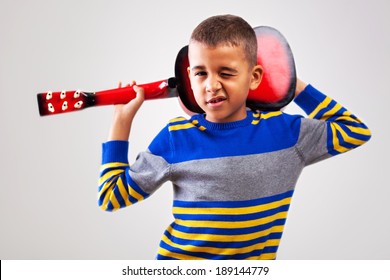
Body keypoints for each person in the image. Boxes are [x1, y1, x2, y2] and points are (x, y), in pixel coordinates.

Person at [98, 15, 371, 260]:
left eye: (226, 73)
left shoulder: (288, 134)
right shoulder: (176, 137)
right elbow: (111, 197)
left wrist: (291, 84)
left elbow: (355, 131)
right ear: (189, 78)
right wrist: (122, 121)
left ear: (254, 77)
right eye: (200, 73)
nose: (211, 85)